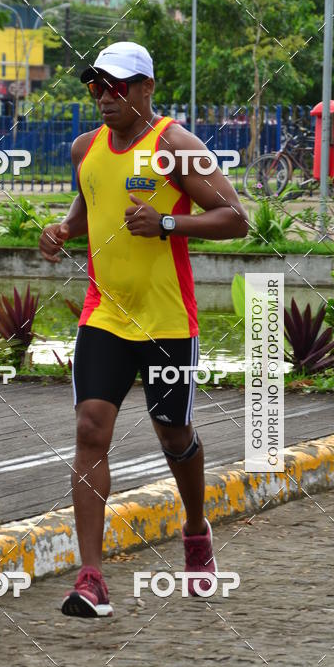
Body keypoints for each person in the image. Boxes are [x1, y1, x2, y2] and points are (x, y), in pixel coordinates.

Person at [39, 42, 249, 618]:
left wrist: (168, 223)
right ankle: (91, 578)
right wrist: (60, 231)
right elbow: (85, 216)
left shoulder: (178, 147)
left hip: (166, 319)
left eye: (116, 86)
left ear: (145, 89)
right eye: (95, 87)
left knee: (173, 434)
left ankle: (197, 531)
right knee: (89, 430)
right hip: (104, 313)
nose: (103, 97)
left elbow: (236, 219)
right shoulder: (86, 149)